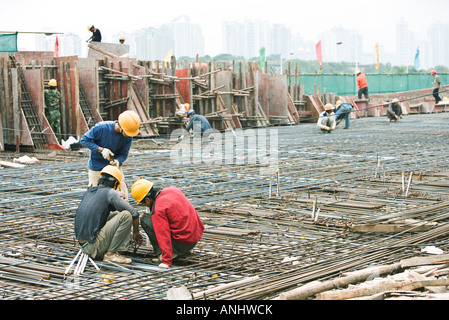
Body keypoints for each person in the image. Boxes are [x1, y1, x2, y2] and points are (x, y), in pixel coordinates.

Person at [75, 165, 143, 264]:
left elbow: (104, 205)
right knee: (126, 215)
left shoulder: (90, 191)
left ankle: (108, 249)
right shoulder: (111, 193)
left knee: (115, 215)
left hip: (83, 245)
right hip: (93, 247)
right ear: (116, 183)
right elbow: (134, 214)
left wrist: (116, 196)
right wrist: (136, 233)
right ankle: (111, 254)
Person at [130, 178, 204, 268]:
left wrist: (166, 261)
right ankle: (184, 249)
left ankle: (165, 253)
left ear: (148, 200)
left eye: (143, 203)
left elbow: (163, 235)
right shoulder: (173, 190)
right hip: (194, 239)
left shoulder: (158, 209)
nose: (145, 205)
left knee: (145, 220)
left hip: (182, 244)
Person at [80, 110, 141, 200]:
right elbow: (84, 140)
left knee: (123, 197)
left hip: (114, 167)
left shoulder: (128, 136)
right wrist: (101, 150)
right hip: (97, 167)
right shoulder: (101, 128)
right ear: (120, 126)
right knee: (95, 197)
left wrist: (118, 161)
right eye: (127, 133)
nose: (128, 135)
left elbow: (124, 154)